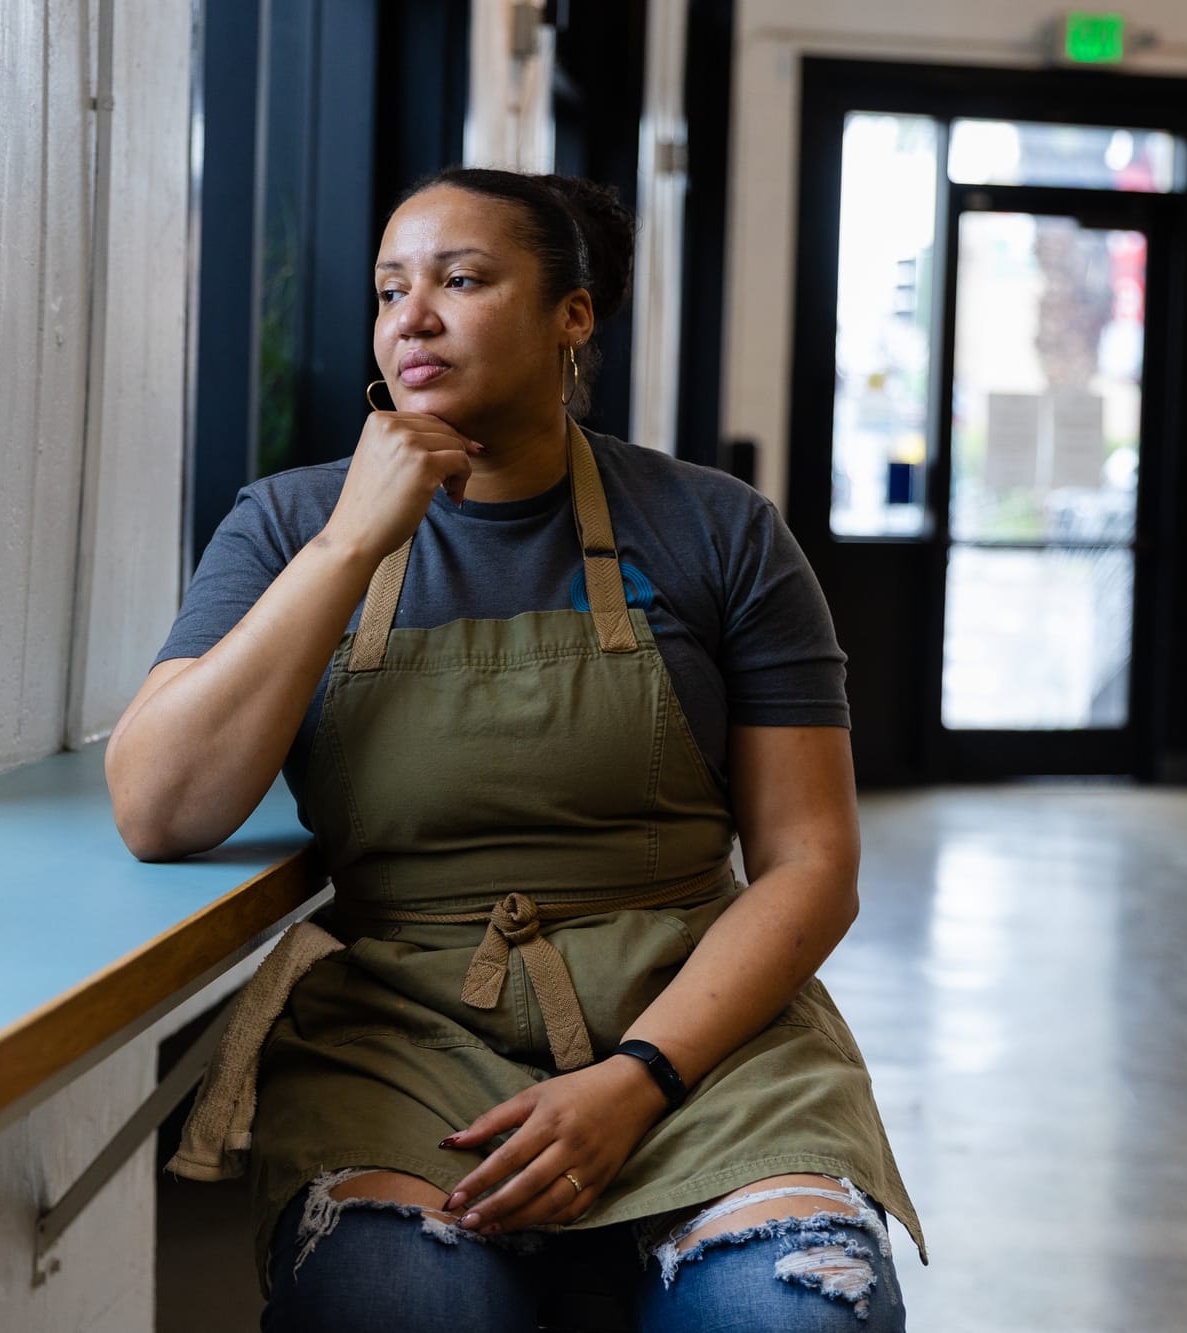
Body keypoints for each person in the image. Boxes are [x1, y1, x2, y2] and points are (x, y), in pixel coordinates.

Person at [107, 167, 925, 1332]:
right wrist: (352, 543)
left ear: (571, 315)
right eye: (391, 290)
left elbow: (809, 864)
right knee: (396, 1308)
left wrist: (637, 1078)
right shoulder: (291, 523)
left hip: (700, 1032)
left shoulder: (716, 531)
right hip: (401, 1034)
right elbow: (159, 805)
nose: (413, 318)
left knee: (800, 1310)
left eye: (461, 279)